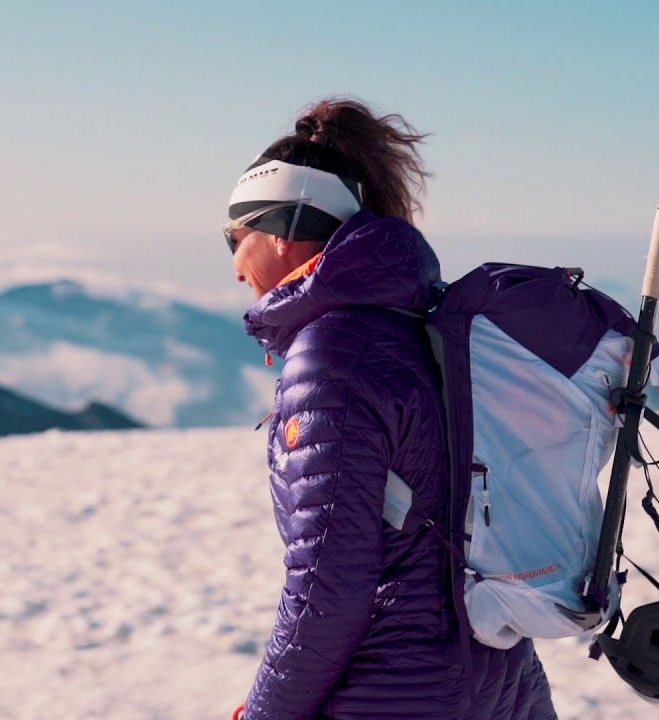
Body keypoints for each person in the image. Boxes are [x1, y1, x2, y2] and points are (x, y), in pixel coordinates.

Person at [224, 98, 557, 720]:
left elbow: (331, 585)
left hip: (397, 691)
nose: (236, 266)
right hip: (503, 672)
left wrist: (269, 712)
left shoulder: (333, 354)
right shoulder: (421, 321)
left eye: (234, 238)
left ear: (281, 228)